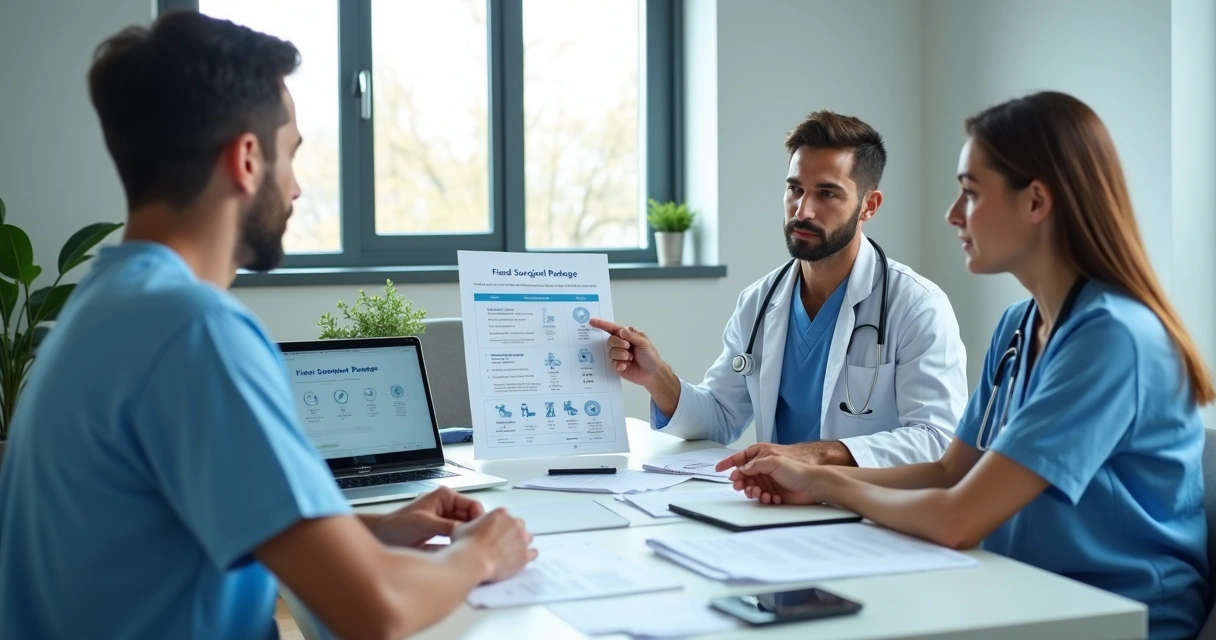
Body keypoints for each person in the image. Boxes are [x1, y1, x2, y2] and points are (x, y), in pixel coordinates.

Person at [0, 12, 534, 640]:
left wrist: (374, 531)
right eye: (293, 155)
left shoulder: (104, 304)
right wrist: (480, 553)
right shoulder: (194, 331)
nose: (298, 189)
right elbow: (376, 610)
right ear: (248, 159)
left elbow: (173, 526)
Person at [724, 91, 1211, 640]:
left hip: (1114, 610)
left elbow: (957, 518)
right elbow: (948, 472)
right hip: (1013, 588)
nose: (953, 214)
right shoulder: (1017, 328)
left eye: (970, 193)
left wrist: (826, 484)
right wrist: (813, 481)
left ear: (1036, 202)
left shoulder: (1113, 339)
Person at [593, 111, 967, 468]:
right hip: (778, 507)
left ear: (868, 205)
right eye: (795, 190)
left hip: (867, 512)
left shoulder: (916, 306)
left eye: (827, 194)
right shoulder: (760, 301)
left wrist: (819, 455)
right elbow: (721, 417)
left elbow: (937, 439)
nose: (802, 210)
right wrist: (656, 376)